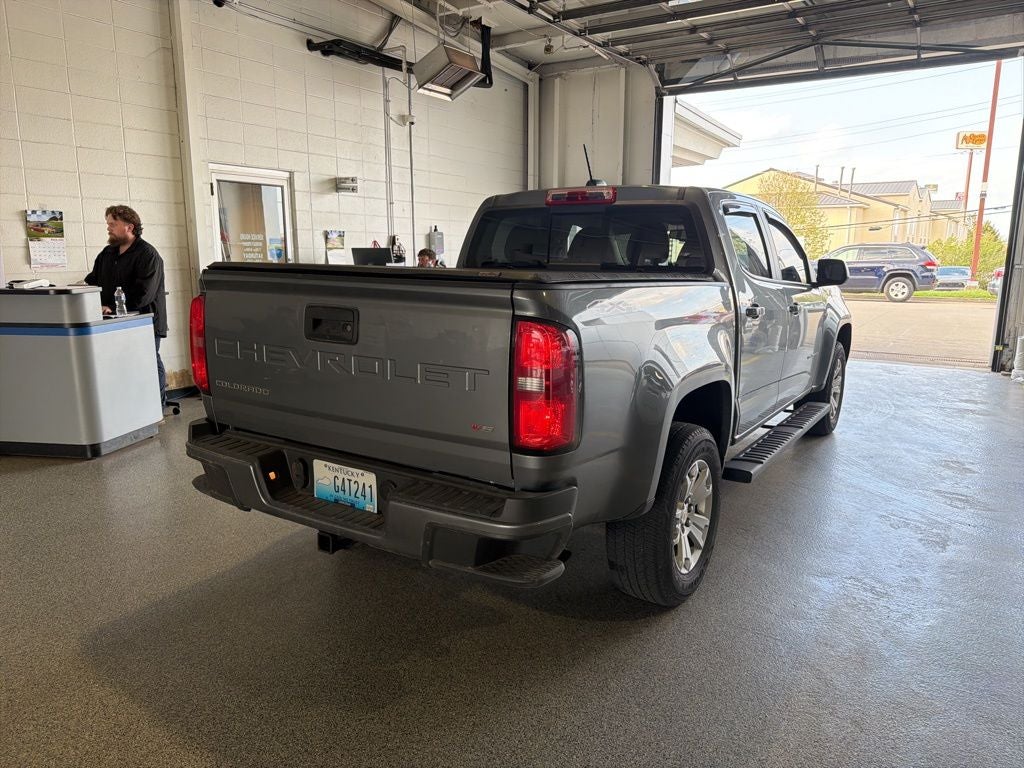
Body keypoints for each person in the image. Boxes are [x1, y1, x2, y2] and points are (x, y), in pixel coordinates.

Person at [84, 205, 168, 408]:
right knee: (124, 365)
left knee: (148, 361)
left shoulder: (148, 255)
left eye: (113, 224)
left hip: (145, 321)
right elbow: (93, 281)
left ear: (129, 226)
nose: (108, 228)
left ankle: (157, 405)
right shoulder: (107, 253)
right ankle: (132, 408)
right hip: (114, 323)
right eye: (108, 224)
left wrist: (112, 307)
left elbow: (143, 294)